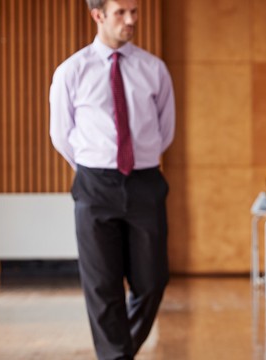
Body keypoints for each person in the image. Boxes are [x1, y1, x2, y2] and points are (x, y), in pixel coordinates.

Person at [49, 0, 175, 358]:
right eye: (121, 12)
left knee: (152, 282)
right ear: (98, 15)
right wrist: (95, 167)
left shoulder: (154, 69)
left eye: (135, 12)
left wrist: (138, 163)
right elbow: (61, 134)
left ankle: (117, 353)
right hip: (94, 184)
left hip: (145, 182)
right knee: (103, 287)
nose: (131, 19)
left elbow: (165, 130)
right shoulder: (72, 71)